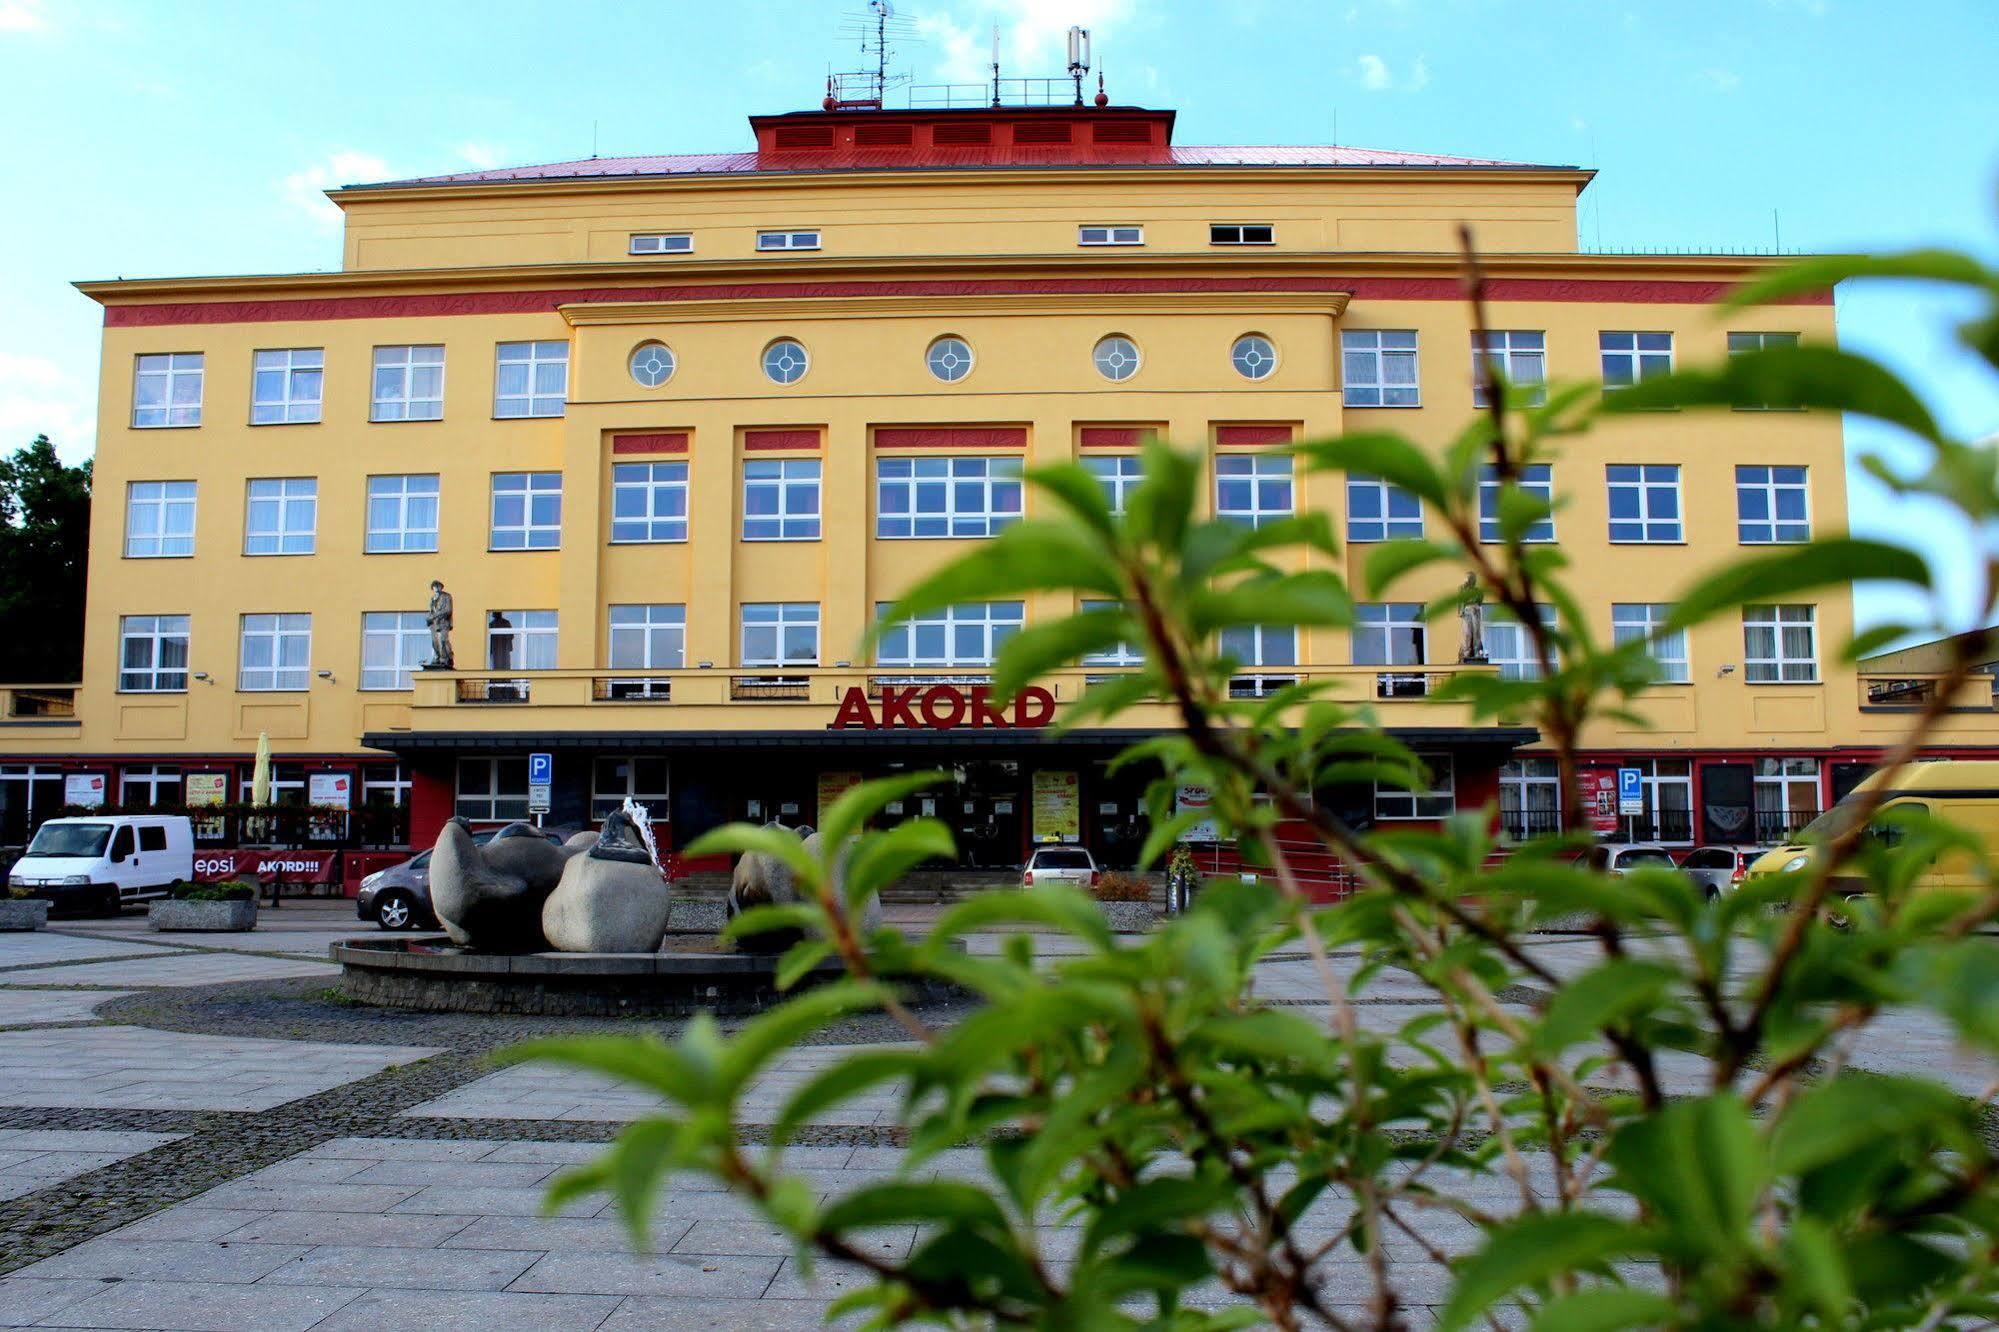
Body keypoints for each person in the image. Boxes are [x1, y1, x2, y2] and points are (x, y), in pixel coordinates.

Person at [424, 580, 455, 669]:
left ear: (441, 587)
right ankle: (437, 658)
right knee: (434, 642)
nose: (436, 588)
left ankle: (447, 658)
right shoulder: (432, 598)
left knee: (443, 640)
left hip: (443, 622)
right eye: (434, 586)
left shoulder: (447, 596)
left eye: (438, 586)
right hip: (433, 623)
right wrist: (429, 619)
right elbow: (431, 611)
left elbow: (448, 610)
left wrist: (435, 615)